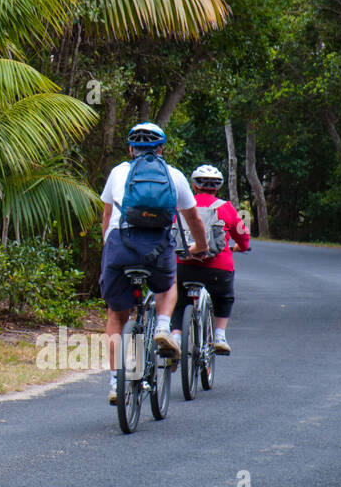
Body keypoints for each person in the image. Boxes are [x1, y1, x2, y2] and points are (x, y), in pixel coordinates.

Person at [99, 123, 209, 404]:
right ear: (161, 149)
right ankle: (162, 326)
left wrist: (109, 249)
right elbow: (193, 219)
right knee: (168, 283)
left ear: (130, 149)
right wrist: (202, 246)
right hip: (158, 248)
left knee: (116, 314)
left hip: (119, 247)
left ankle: (115, 382)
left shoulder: (118, 172)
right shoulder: (174, 176)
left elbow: (107, 216)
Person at [171, 164, 250, 355]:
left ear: (194, 186)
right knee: (224, 296)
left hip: (184, 263)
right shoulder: (226, 208)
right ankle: (220, 335)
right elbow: (243, 236)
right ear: (217, 188)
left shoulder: (180, 207)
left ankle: (175, 335)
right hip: (217, 268)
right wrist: (242, 247)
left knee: (178, 299)